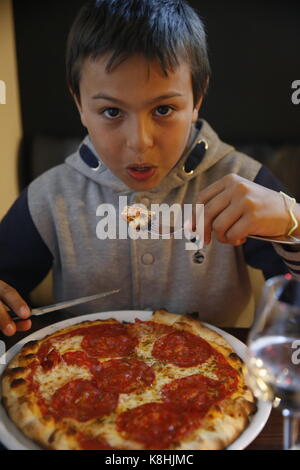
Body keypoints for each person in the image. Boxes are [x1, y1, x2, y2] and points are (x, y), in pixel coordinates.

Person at [0, 0, 299, 337]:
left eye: (164, 109)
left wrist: (293, 221)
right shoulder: (50, 198)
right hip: (79, 376)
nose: (139, 143)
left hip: (217, 376)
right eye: (112, 112)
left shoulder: (243, 182)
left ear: (197, 98)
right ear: (79, 104)